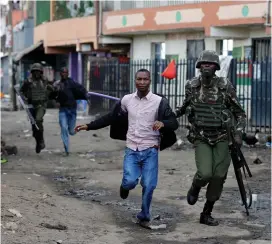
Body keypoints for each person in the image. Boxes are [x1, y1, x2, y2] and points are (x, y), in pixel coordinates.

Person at [75, 68, 179, 226]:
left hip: (150, 148)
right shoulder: (127, 100)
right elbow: (111, 117)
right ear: (135, 81)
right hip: (132, 148)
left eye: (145, 79)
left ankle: (144, 216)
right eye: (139, 79)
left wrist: (163, 123)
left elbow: (174, 123)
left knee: (149, 185)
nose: (142, 82)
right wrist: (89, 126)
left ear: (150, 81)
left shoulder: (159, 102)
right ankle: (124, 186)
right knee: (130, 182)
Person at [175, 50, 246, 226]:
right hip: (201, 136)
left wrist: (238, 133)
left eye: (210, 63)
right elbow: (183, 107)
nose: (206, 65)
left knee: (218, 176)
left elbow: (240, 114)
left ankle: (206, 212)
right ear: (199, 66)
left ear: (216, 67)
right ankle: (196, 186)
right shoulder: (192, 85)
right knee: (205, 173)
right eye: (203, 63)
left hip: (223, 137)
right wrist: (168, 114)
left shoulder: (225, 86)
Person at [51, 67, 89, 156]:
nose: (64, 74)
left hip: (72, 110)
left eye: (65, 72)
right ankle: (66, 149)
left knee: (71, 131)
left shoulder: (72, 83)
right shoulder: (57, 84)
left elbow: (82, 89)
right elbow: (52, 95)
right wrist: (55, 101)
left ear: (67, 73)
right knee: (63, 127)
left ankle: (77, 129)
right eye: (62, 72)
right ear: (60, 74)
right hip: (63, 110)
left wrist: (87, 97)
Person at [20, 63, 54, 153]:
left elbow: (51, 89)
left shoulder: (45, 80)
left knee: (38, 120)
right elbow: (21, 91)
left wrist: (50, 90)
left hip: (41, 105)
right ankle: (38, 142)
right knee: (34, 127)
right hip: (31, 106)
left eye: (38, 71)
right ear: (32, 72)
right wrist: (25, 99)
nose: (37, 73)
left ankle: (41, 140)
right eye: (35, 71)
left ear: (41, 72)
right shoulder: (28, 81)